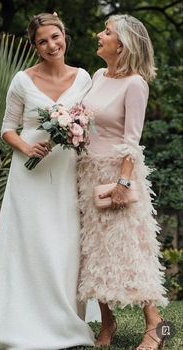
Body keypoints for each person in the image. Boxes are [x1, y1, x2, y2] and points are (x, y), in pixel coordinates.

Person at [0, 12, 94, 349]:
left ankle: (64, 317)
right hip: (29, 176)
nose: (51, 45)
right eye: (42, 41)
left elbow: (89, 124)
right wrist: (27, 147)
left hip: (66, 172)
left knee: (64, 241)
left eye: (55, 37)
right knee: (30, 242)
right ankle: (22, 317)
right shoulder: (22, 80)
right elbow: (6, 129)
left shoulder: (84, 78)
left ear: (64, 36)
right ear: (35, 46)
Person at [77, 14, 168, 350]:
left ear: (123, 44)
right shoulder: (99, 75)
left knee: (130, 249)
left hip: (119, 176)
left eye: (107, 31)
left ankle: (156, 325)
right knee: (93, 252)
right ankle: (107, 322)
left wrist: (123, 183)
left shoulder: (136, 84)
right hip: (86, 174)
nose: (99, 35)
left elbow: (133, 139)